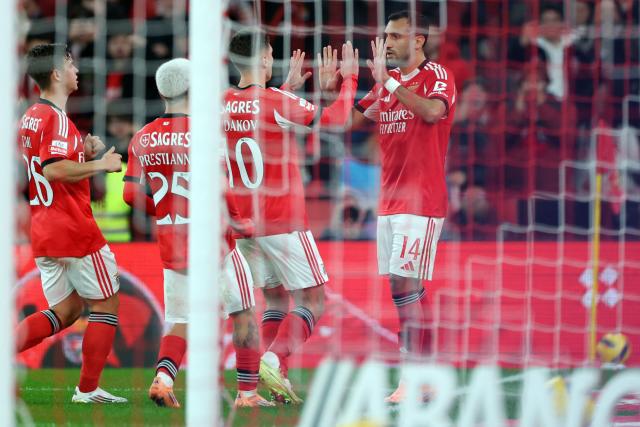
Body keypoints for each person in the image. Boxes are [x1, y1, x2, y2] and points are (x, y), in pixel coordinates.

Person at [122, 58, 275, 408]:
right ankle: (248, 394)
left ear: (162, 91)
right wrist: (239, 223)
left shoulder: (142, 138)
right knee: (244, 312)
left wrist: (164, 211)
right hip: (212, 241)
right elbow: (221, 185)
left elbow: (130, 194)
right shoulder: (206, 132)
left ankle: (163, 379)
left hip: (172, 243)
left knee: (179, 319)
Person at [224, 29, 358, 400]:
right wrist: (351, 79)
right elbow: (337, 119)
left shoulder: (219, 103)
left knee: (276, 301)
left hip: (241, 224)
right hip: (281, 219)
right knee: (315, 301)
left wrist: (285, 88)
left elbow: (256, 120)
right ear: (265, 59)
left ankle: (256, 384)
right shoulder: (276, 101)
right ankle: (274, 358)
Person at [354, 11, 457, 402]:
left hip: (422, 201)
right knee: (404, 287)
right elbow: (350, 119)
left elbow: (433, 112)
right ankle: (424, 374)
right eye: (385, 36)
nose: (387, 43)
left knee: (403, 283)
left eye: (395, 36)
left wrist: (390, 82)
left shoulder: (437, 75)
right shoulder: (385, 85)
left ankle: (416, 378)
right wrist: (343, 85)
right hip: (389, 200)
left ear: (418, 40)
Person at [16, 43, 126, 403]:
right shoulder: (56, 118)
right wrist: (100, 165)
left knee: (67, 311)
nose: (76, 68)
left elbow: (51, 160)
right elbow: (54, 169)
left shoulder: (32, 114)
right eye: (69, 62)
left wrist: (83, 149)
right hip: (74, 229)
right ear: (56, 74)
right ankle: (88, 390)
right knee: (107, 304)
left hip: (45, 230)